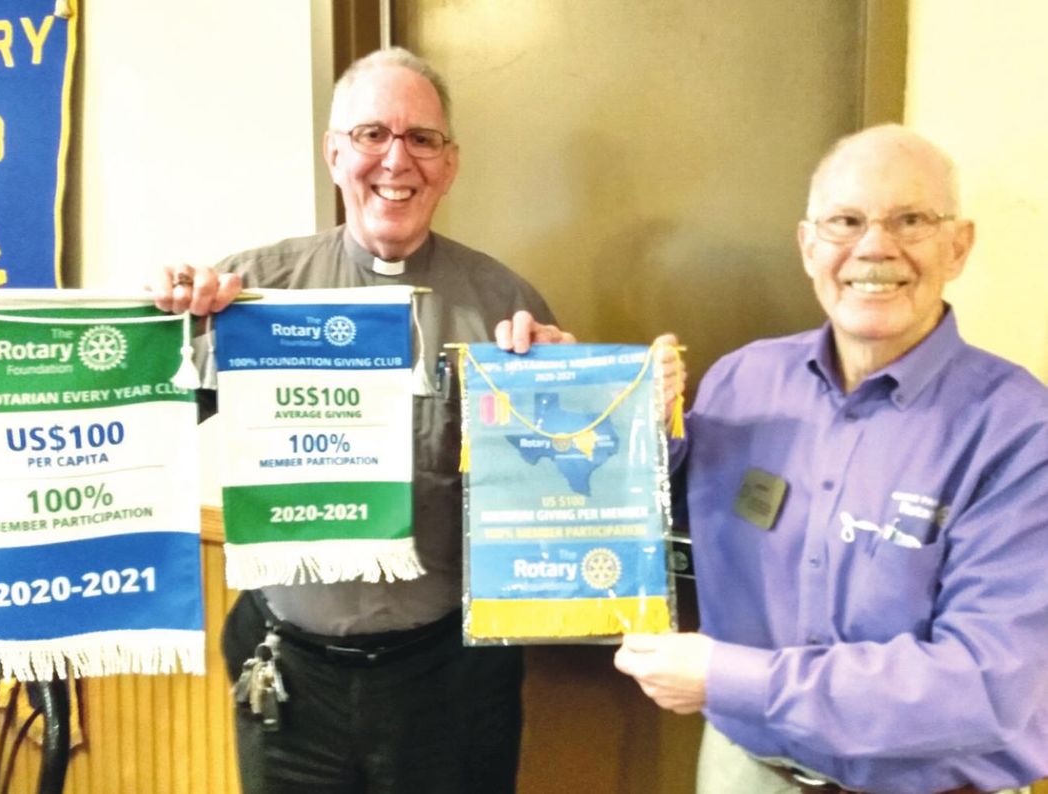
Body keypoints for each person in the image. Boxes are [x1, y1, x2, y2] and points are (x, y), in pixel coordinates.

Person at [153, 48, 573, 793]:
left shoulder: (507, 304)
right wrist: (159, 326)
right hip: (289, 678)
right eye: (373, 133)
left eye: (422, 139)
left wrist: (567, 395)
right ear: (334, 152)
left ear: (449, 163)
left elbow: (563, 490)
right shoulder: (251, 294)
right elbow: (146, 423)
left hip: (453, 681)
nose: (396, 159)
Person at [615, 125, 1048, 794]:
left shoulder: (1019, 430)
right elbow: (657, 515)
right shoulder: (742, 381)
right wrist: (584, 406)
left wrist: (729, 679)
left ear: (958, 246)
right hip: (744, 770)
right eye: (846, 221)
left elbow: (986, 683)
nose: (875, 247)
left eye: (911, 220)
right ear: (808, 245)